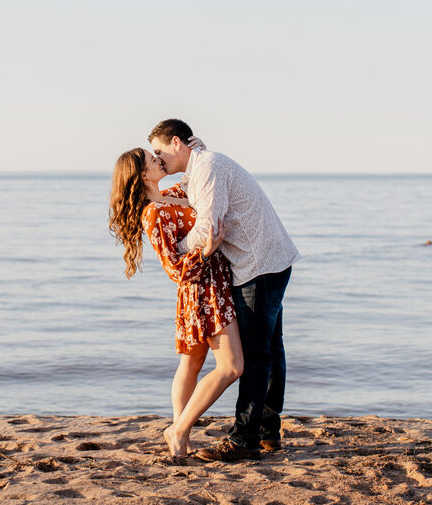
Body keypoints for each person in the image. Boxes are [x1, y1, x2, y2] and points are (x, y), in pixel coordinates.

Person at [149, 119, 300, 462]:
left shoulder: (208, 167)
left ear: (176, 143)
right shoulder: (203, 164)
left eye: (160, 151)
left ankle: (244, 438)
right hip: (269, 260)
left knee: (257, 353)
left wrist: (177, 250)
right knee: (271, 347)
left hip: (256, 265)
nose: (159, 160)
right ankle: (267, 430)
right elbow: (195, 198)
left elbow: (208, 226)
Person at [108, 147, 243, 459]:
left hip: (215, 281)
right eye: (151, 158)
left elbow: (200, 177)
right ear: (143, 175)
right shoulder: (153, 213)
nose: (158, 157)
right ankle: (179, 429)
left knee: (192, 363)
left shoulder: (174, 192)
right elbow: (173, 268)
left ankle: (181, 438)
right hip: (202, 290)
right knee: (232, 366)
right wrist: (207, 252)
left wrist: (198, 147)